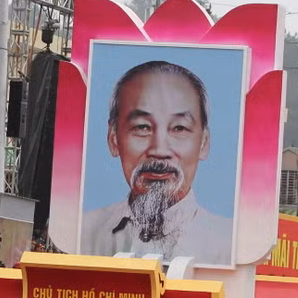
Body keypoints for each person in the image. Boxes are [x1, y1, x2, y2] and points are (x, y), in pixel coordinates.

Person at [80, 60, 231, 265]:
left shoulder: (227, 245)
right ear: (113, 137)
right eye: (142, 127)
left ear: (204, 142)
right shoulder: (85, 231)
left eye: (179, 128)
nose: (159, 151)